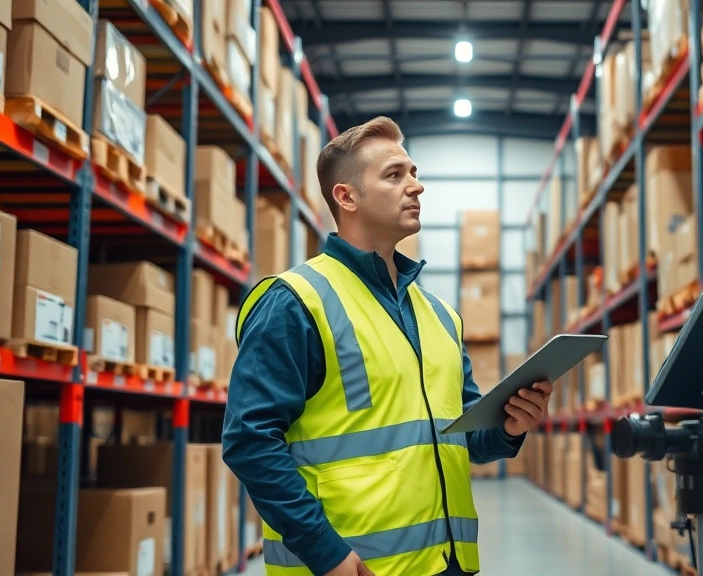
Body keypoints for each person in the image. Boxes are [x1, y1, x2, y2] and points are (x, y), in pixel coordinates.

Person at [223, 116, 553, 576]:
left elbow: (465, 439)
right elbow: (249, 441)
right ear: (347, 196)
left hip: (447, 564)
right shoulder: (295, 302)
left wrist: (510, 426)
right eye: (395, 175)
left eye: (414, 172)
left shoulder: (439, 316)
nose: (416, 186)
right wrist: (325, 552)